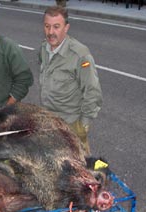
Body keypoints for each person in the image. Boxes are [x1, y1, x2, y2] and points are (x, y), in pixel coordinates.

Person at [39, 6, 103, 154]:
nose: (51, 32)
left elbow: (93, 92)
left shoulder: (80, 55)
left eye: (56, 27)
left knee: (80, 172)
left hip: (71, 125)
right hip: (49, 122)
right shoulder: (44, 48)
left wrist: (83, 126)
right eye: (47, 26)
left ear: (66, 28)